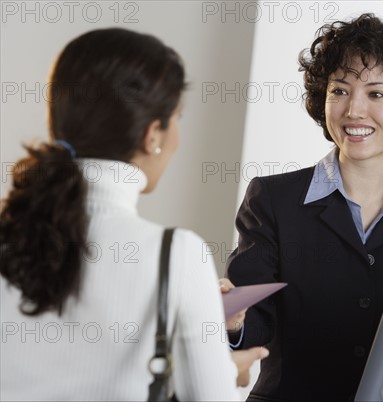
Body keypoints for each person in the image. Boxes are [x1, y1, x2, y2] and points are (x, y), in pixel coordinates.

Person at [0, 28, 266, 400]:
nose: (178, 138)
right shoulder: (176, 253)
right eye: (177, 119)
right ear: (152, 134)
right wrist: (227, 372)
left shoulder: (9, 230)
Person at [226, 13, 383, 402]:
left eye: (376, 94)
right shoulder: (273, 199)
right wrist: (233, 320)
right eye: (339, 91)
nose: (354, 110)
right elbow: (253, 319)